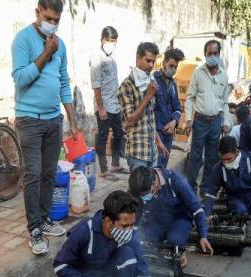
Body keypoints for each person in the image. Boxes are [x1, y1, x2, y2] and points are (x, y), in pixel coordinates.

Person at [11, 0, 79, 255]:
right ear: (37, 12)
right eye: (48, 18)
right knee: (33, 174)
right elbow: (20, 78)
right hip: (29, 119)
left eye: (56, 20)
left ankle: (45, 218)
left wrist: (71, 119)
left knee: (50, 173)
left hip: (53, 119)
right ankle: (34, 229)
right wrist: (45, 54)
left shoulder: (59, 44)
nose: (52, 24)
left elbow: (63, 82)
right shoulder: (23, 40)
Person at [204, 135, 251, 236]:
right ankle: (240, 223)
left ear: (236, 152)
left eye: (228, 159)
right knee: (240, 212)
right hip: (235, 200)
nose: (225, 162)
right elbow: (210, 194)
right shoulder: (218, 168)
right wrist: (206, 216)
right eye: (222, 159)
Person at [185, 39, 232, 196]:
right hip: (200, 121)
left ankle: (205, 189)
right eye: (209, 53)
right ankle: (190, 189)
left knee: (212, 159)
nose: (212, 56)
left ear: (219, 54)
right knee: (195, 158)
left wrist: (226, 122)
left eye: (215, 53)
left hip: (216, 123)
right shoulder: (198, 73)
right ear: (205, 55)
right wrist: (188, 119)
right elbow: (190, 97)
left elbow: (225, 102)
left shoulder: (224, 76)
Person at [128, 166, 213, 254]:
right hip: (156, 221)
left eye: (144, 195)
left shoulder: (175, 180)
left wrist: (203, 236)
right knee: (142, 240)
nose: (143, 198)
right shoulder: (138, 188)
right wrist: (132, 236)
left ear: (153, 184)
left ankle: (176, 252)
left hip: (179, 219)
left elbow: (197, 209)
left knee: (174, 241)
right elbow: (135, 215)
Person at [118, 42, 165, 172]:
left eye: (153, 62)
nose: (151, 65)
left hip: (151, 151)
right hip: (137, 152)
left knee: (151, 189)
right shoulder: (127, 86)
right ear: (138, 58)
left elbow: (149, 119)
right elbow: (130, 120)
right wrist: (148, 96)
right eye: (148, 60)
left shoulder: (149, 81)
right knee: (138, 190)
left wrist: (158, 142)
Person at [90, 26, 128, 181]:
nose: (111, 44)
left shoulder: (111, 59)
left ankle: (115, 164)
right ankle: (104, 169)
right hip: (104, 106)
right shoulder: (96, 58)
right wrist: (100, 108)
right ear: (102, 40)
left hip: (115, 105)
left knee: (119, 134)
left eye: (114, 41)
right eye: (109, 40)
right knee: (103, 137)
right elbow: (96, 85)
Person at [154, 48, 185, 168]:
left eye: (175, 67)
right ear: (164, 63)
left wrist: (174, 122)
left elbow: (177, 108)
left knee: (163, 167)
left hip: (169, 133)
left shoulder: (173, 84)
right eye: (171, 65)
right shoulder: (153, 81)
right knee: (154, 168)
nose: (173, 69)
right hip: (156, 133)